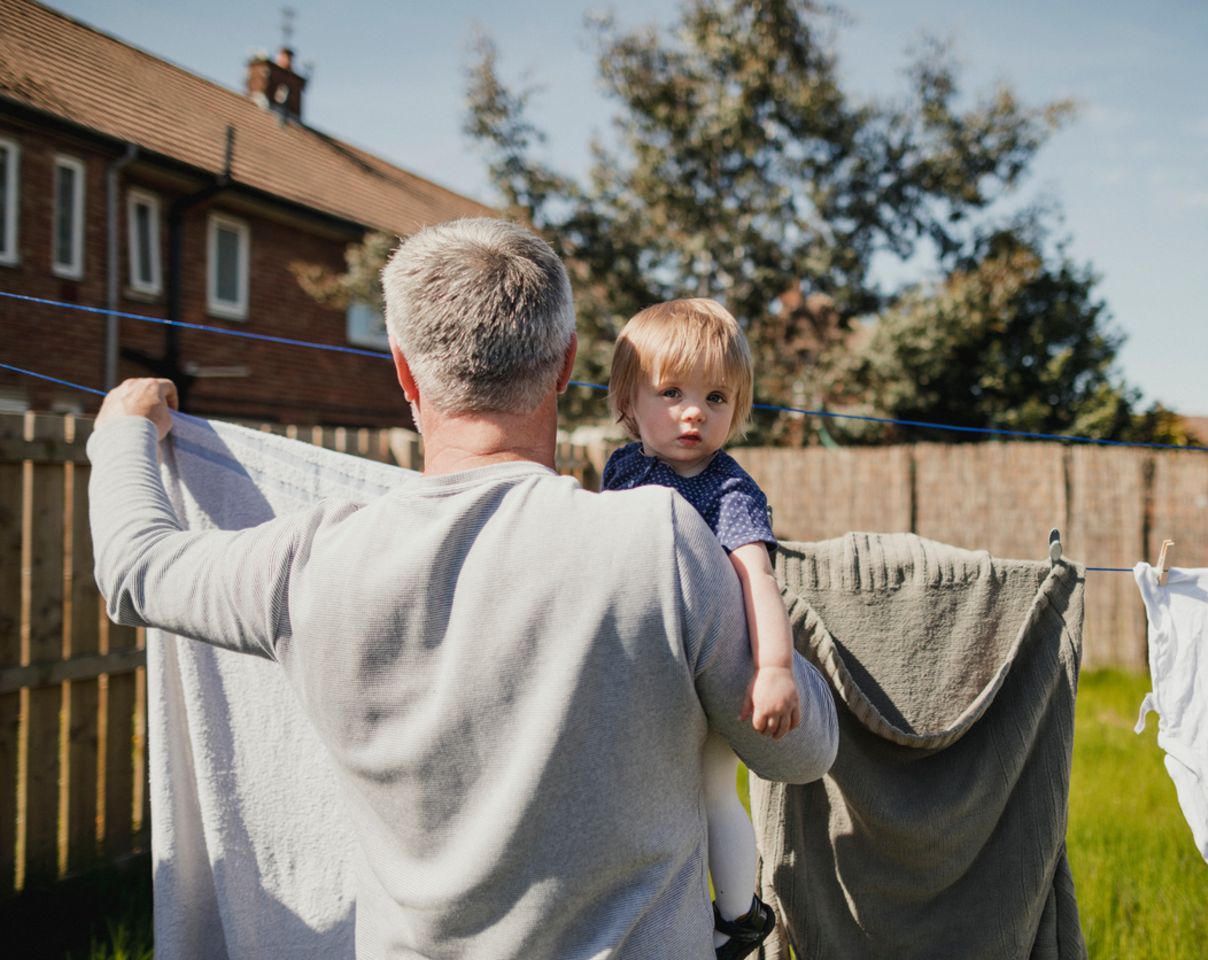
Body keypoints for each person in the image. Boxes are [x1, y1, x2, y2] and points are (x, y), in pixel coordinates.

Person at [87, 217, 838, 960]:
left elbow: (135, 568)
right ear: (566, 363)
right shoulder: (664, 541)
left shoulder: (310, 561)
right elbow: (799, 752)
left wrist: (121, 429)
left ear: (404, 372)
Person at [601, 299, 795, 957]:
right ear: (627, 399)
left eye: (716, 397)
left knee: (715, 786)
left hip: (714, 670)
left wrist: (772, 670)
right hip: (644, 666)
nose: (694, 412)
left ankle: (738, 917)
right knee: (642, 787)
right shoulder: (623, 470)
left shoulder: (727, 488)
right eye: (672, 392)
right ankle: (644, 898)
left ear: (738, 408)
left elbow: (758, 579)